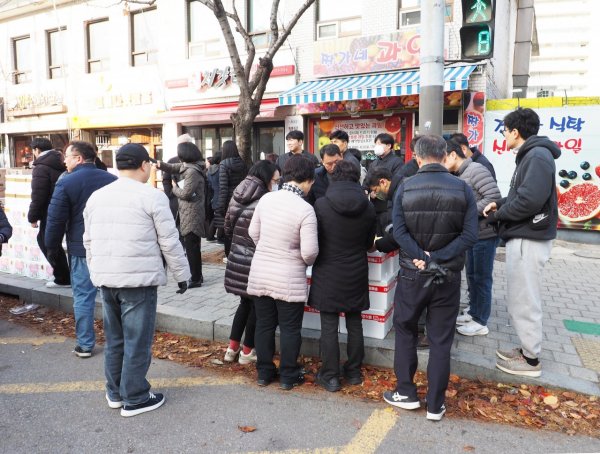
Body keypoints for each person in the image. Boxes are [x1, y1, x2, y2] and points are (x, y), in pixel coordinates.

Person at [83, 143, 190, 417]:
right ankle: (136, 397)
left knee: (115, 339)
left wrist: (96, 272)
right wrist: (182, 275)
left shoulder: (97, 197)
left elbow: (88, 241)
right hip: (139, 282)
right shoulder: (152, 197)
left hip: (106, 279)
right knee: (137, 341)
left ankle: (115, 392)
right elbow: (169, 241)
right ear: (144, 165)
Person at [383, 134, 477, 422]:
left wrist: (421, 256)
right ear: (444, 155)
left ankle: (406, 392)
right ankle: (435, 404)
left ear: (417, 157)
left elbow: (399, 232)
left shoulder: (406, 186)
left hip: (413, 273)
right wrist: (437, 257)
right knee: (440, 340)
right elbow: (469, 236)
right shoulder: (463, 188)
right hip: (447, 275)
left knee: (406, 330)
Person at [483, 107, 561, 378]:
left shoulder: (537, 156)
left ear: (515, 132)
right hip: (527, 234)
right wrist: (500, 203)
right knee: (520, 296)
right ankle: (527, 349)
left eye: (505, 131)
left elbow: (529, 201)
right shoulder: (533, 154)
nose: (504, 136)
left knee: (525, 298)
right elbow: (522, 194)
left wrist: (498, 215)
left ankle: (531, 360)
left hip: (530, 236)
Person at [247, 155, 318, 390]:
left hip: (261, 272)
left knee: (264, 325)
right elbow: (310, 252)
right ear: (307, 181)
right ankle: (288, 375)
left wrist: (268, 248)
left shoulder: (266, 199)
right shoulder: (305, 209)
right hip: (289, 277)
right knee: (290, 328)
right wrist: (298, 258)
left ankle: (264, 373)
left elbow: (253, 233)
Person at [45, 141, 117, 357]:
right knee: (111, 297)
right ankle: (115, 343)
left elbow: (55, 220)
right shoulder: (112, 180)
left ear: (78, 158)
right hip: (109, 247)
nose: (64, 161)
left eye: (67, 157)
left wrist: (51, 248)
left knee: (83, 297)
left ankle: (85, 344)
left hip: (80, 249)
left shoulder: (66, 182)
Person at [309, 161, 376, 392]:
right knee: (354, 322)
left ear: (334, 177)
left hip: (328, 271)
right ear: (357, 178)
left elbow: (315, 240)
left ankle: (330, 376)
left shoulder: (321, 204)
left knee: (329, 325)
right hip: (356, 271)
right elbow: (368, 244)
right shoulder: (368, 207)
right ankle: (354, 372)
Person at [223, 160, 280, 365]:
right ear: (266, 178)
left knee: (244, 303)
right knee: (257, 306)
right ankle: (247, 352)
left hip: (238, 256)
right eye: (275, 180)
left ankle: (231, 349)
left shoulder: (239, 191)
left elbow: (227, 227)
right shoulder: (265, 199)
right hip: (256, 259)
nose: (276, 184)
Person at [444, 139, 501, 337]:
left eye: (443, 158)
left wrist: (466, 213)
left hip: (485, 233)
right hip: (472, 233)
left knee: (482, 278)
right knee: (472, 276)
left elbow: (493, 197)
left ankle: (480, 321)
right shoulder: (460, 174)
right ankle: (473, 312)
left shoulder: (476, 170)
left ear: (453, 154)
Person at [157, 142, 206, 288]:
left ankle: (195, 279)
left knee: (192, 247)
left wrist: (174, 188)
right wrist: (159, 164)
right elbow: (173, 167)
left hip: (192, 213)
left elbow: (185, 194)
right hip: (190, 211)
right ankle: (197, 275)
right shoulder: (190, 166)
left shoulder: (191, 172)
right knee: (192, 246)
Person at [27, 137, 70, 289]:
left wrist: (33, 217)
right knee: (57, 242)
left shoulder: (41, 167)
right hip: (66, 207)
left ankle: (63, 278)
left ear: (36, 150)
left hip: (50, 210)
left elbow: (38, 195)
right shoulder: (62, 161)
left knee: (47, 241)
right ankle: (65, 275)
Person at [214, 141, 248, 259]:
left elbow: (223, 187)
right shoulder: (243, 163)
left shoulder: (224, 164)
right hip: (241, 199)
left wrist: (220, 206)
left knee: (227, 230)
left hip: (229, 201)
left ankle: (229, 256)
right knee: (238, 229)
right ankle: (239, 254)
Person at [367, 133, 404, 236]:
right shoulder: (374, 163)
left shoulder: (397, 162)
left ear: (388, 146)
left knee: (389, 235)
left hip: (389, 207)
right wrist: (370, 191)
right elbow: (367, 182)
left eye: (379, 144)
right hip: (375, 207)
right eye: (375, 144)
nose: (376, 146)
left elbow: (396, 182)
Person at [206, 153, 224, 242]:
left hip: (214, 196)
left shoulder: (209, 170)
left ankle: (210, 236)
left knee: (216, 217)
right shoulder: (221, 170)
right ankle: (220, 237)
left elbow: (209, 184)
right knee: (221, 217)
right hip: (221, 195)